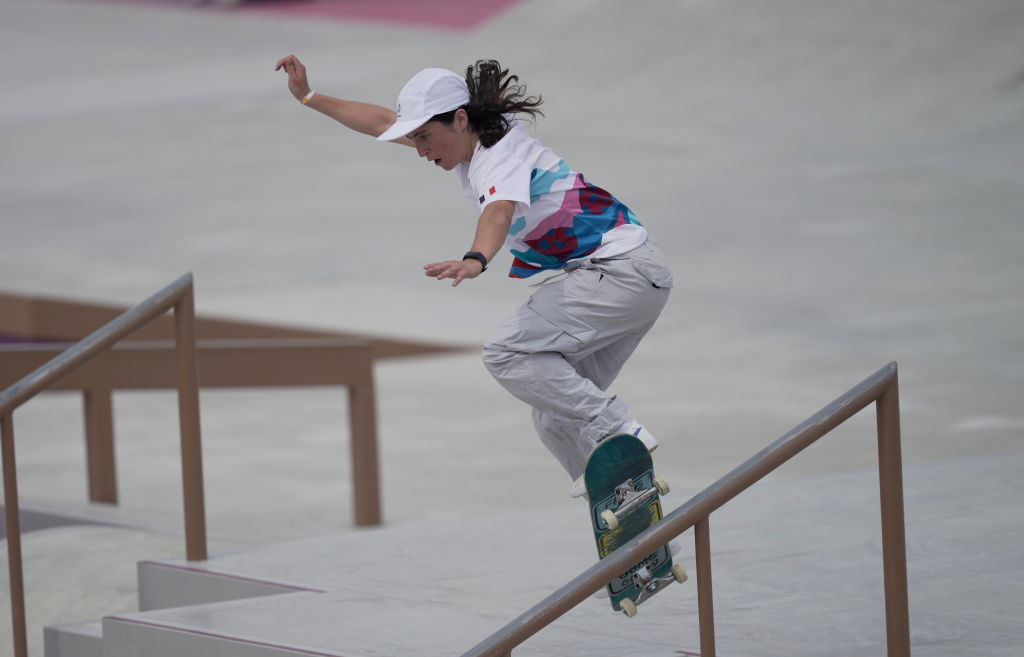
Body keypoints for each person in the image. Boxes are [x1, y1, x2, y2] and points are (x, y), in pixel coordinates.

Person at [275, 55, 673, 498]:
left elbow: (498, 212)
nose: (421, 151)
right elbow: (382, 120)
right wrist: (310, 97)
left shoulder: (497, 156)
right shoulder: (475, 136)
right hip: (635, 281)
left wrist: (475, 259)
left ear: (460, 119)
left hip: (620, 271)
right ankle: (627, 510)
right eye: (416, 140)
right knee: (553, 414)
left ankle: (619, 426)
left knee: (505, 353)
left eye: (425, 138)